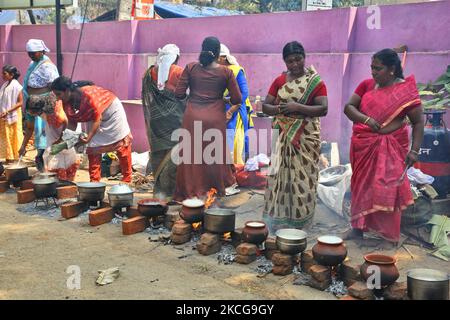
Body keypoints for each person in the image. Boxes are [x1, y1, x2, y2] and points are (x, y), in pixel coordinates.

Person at [343, 48, 424, 243]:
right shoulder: (367, 85)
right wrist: (367, 119)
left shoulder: (405, 92)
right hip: (364, 144)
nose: (373, 72)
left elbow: (418, 122)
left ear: (392, 69)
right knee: (361, 185)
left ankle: (387, 234)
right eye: (372, 67)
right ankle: (357, 229)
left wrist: (414, 151)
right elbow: (349, 108)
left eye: (377, 68)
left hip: (392, 147)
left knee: (387, 187)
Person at [262, 41, 328, 232]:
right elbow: (266, 106)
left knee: (302, 177)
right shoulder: (280, 81)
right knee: (279, 175)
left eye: (298, 59)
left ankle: (301, 222)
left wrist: (297, 107)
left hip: (305, 135)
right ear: (285, 62)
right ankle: (278, 220)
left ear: (304, 57)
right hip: (283, 133)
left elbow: (323, 108)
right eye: (290, 61)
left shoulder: (314, 81)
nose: (295, 65)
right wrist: (280, 109)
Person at [173, 36, 242, 201]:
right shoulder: (226, 72)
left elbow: (179, 94)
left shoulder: (190, 68)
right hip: (215, 119)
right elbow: (237, 99)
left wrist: (195, 97)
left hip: (192, 117)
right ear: (219, 53)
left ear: (202, 49)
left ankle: (190, 191)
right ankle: (212, 189)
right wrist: (220, 98)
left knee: (191, 156)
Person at [51, 76, 133, 183]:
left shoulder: (88, 97)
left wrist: (88, 137)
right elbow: (72, 122)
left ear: (67, 91)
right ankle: (94, 183)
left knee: (121, 143)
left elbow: (97, 119)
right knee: (93, 148)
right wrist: (64, 139)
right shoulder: (66, 101)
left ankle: (127, 178)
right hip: (95, 116)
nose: (57, 98)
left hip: (111, 111)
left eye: (58, 94)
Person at [142, 44, 185, 197]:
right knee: (175, 156)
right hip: (175, 121)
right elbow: (186, 97)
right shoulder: (180, 72)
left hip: (155, 121)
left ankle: (160, 191)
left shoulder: (149, 73)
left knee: (159, 155)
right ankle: (172, 192)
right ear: (176, 58)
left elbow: (148, 96)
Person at [19, 39, 60, 172]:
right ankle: (28, 150)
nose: (30, 55)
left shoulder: (48, 66)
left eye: (33, 53)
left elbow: (54, 87)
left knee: (44, 132)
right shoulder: (33, 64)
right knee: (31, 128)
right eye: (29, 53)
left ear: (41, 51)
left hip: (43, 103)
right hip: (32, 102)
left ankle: (42, 158)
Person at [26, 93, 79, 181]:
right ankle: (63, 184)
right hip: (54, 138)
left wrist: (61, 138)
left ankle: (64, 185)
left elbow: (65, 121)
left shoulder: (54, 114)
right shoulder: (44, 109)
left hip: (60, 138)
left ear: (38, 109)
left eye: (31, 112)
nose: (31, 114)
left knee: (59, 162)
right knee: (57, 161)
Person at [218, 44, 254, 164]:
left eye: (216, 58)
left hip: (235, 111)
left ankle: (235, 171)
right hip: (220, 112)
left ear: (223, 58)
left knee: (233, 142)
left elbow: (244, 94)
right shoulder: (217, 71)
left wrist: (230, 110)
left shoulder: (236, 70)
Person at [0, 65, 24, 163]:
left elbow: (20, 102)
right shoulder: (5, 85)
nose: (2, 75)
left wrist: (8, 111)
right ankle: (8, 157)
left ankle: (15, 158)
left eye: (4, 73)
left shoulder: (17, 86)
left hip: (13, 115)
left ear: (12, 75)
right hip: (4, 115)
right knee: (6, 136)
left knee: (14, 136)